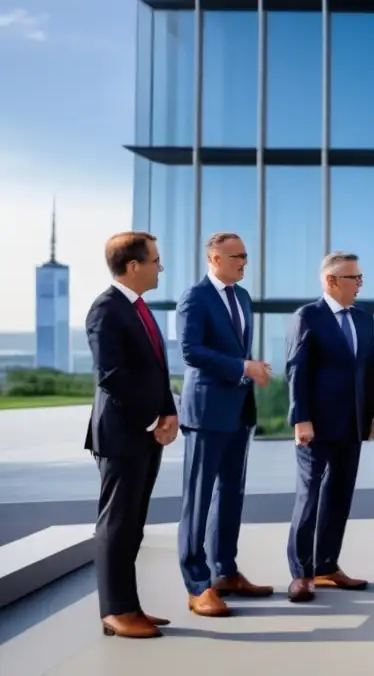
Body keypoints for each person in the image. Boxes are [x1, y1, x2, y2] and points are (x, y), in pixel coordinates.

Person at [85, 231, 179, 639]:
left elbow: (156, 369)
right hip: (123, 435)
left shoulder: (140, 309)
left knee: (133, 524)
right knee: (117, 525)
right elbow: (112, 377)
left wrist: (169, 412)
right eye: (155, 260)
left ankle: (130, 606)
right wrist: (151, 419)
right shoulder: (106, 310)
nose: (161, 267)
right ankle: (115, 612)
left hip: (145, 432)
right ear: (133, 266)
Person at [176, 232, 274, 617]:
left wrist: (250, 368)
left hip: (237, 409)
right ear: (215, 258)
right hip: (206, 412)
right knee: (199, 498)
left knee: (231, 493)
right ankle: (197, 585)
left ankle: (225, 572)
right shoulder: (195, 297)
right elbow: (190, 350)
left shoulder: (243, 298)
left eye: (247, 255)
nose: (244, 262)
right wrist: (242, 367)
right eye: (238, 256)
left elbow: (236, 349)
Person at [283, 251, 374, 603]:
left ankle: (326, 566)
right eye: (353, 278)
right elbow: (296, 370)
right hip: (316, 425)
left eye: (360, 278)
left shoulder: (363, 318)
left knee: (339, 496)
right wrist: (301, 418)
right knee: (309, 496)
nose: (359, 284)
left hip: (352, 422)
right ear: (330, 281)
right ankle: (301, 573)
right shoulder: (307, 316)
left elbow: (368, 367)